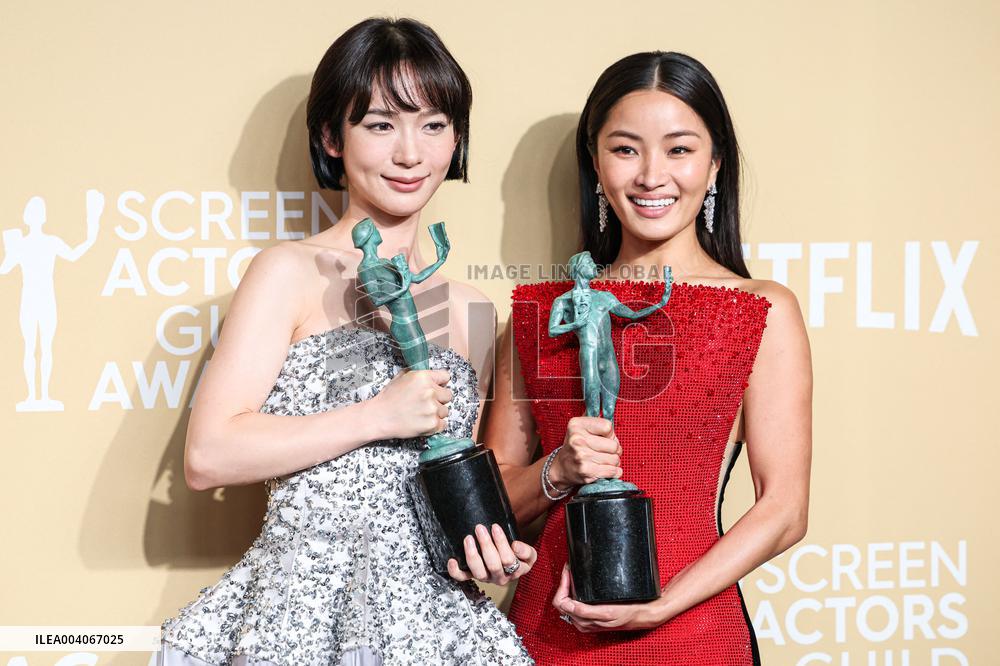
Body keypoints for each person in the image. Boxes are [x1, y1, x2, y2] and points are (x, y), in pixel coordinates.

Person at [159, 18, 535, 666]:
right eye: (382, 124)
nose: (411, 153)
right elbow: (209, 454)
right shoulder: (288, 272)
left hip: (433, 626)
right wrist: (376, 416)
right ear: (333, 136)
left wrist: (485, 547)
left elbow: (445, 486)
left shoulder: (473, 311)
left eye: (434, 125)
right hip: (303, 614)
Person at [486, 51, 812, 665]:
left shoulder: (759, 309)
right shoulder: (540, 312)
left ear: (715, 165)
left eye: (680, 150)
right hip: (547, 634)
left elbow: (784, 510)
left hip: (693, 636)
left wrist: (658, 604)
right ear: (596, 163)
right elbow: (495, 499)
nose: (652, 175)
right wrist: (558, 469)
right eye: (627, 149)